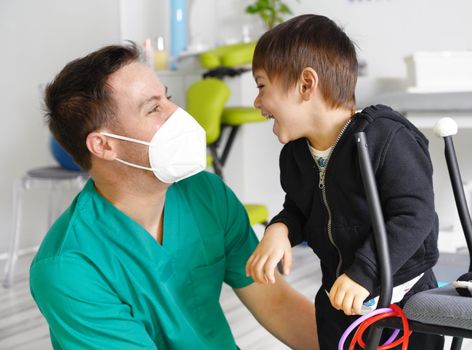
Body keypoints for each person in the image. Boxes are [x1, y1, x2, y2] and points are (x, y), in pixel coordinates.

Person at [29, 42, 318, 350]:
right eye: (153, 108)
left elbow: (276, 304)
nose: (178, 114)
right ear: (103, 145)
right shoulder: (68, 268)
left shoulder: (207, 194)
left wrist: (349, 343)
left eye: (167, 98)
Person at [245, 14, 444, 349]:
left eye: (262, 86)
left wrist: (364, 272)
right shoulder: (295, 156)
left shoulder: (386, 137)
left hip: (405, 303)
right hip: (339, 300)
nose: (257, 102)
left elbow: (415, 215)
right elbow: (299, 209)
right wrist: (280, 228)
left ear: (306, 84)